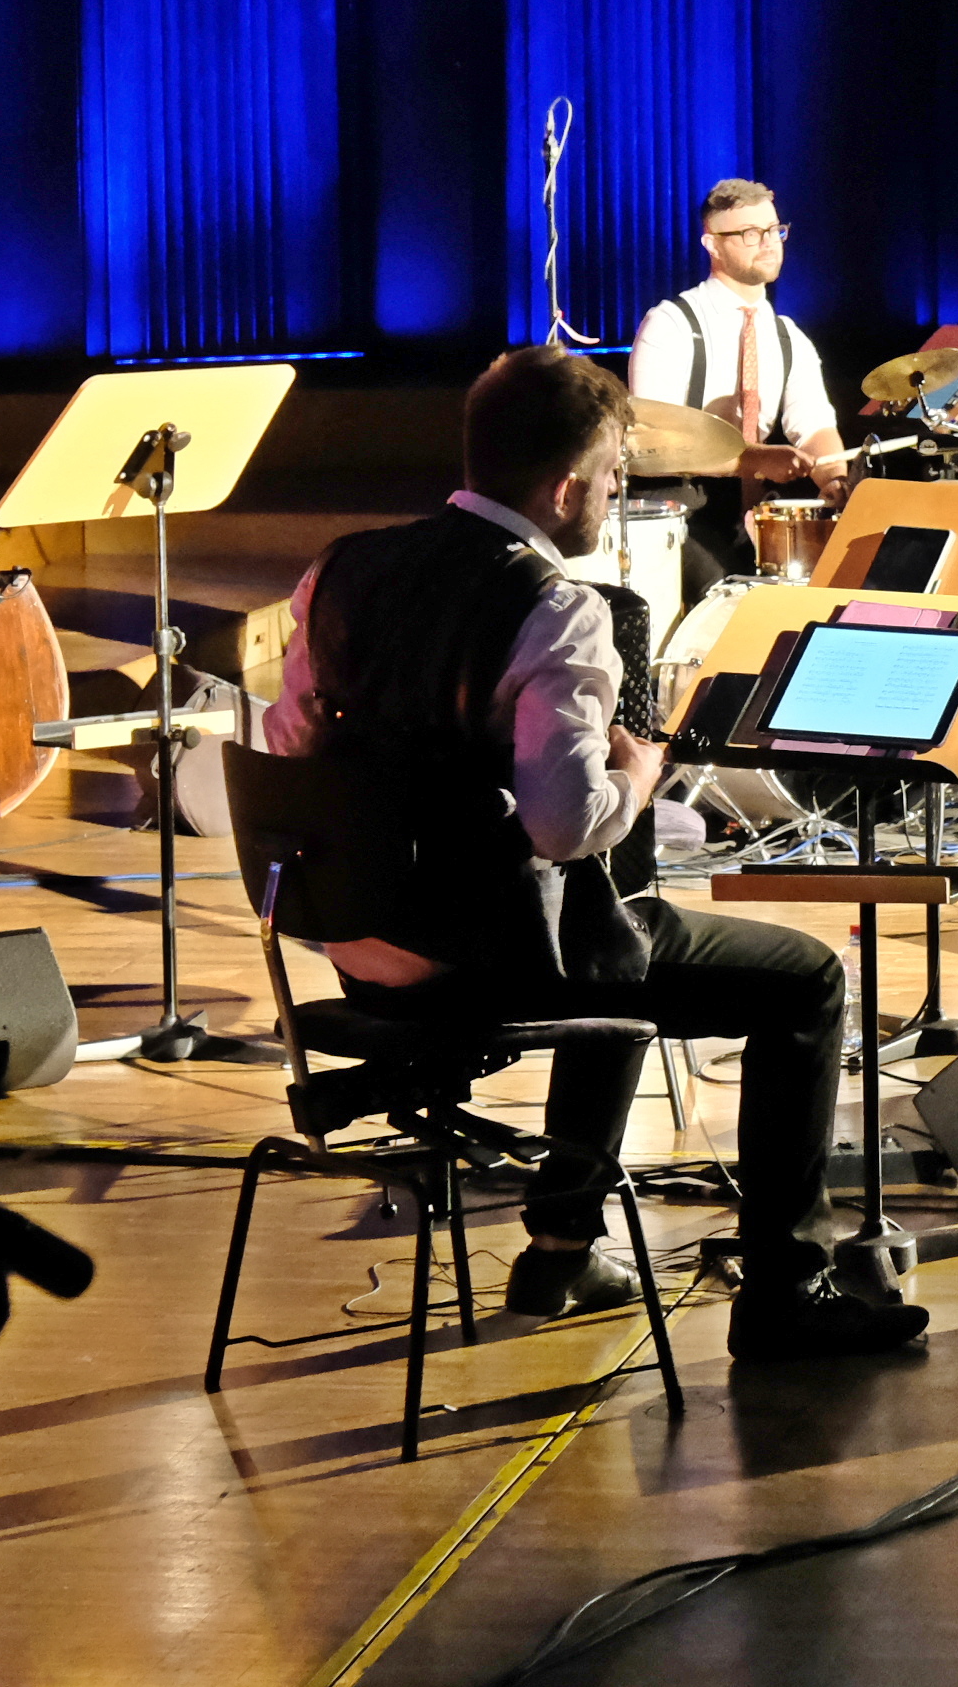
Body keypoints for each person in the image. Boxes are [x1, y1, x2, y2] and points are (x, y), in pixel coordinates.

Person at [266, 345, 921, 1360]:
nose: (617, 496)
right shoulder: (558, 607)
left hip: (355, 941)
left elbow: (292, 747)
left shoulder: (340, 570)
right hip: (485, 956)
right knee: (799, 977)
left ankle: (564, 1249)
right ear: (569, 483)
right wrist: (641, 774)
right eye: (616, 477)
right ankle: (790, 1288)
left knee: (610, 915)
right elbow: (562, 825)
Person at [628, 176, 851, 593]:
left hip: (753, 516)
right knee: (716, 595)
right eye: (751, 233)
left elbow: (815, 424)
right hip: (681, 512)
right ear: (712, 244)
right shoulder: (672, 323)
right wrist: (754, 460)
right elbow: (652, 438)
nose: (768, 242)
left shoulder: (788, 335)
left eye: (774, 230)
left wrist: (833, 476)